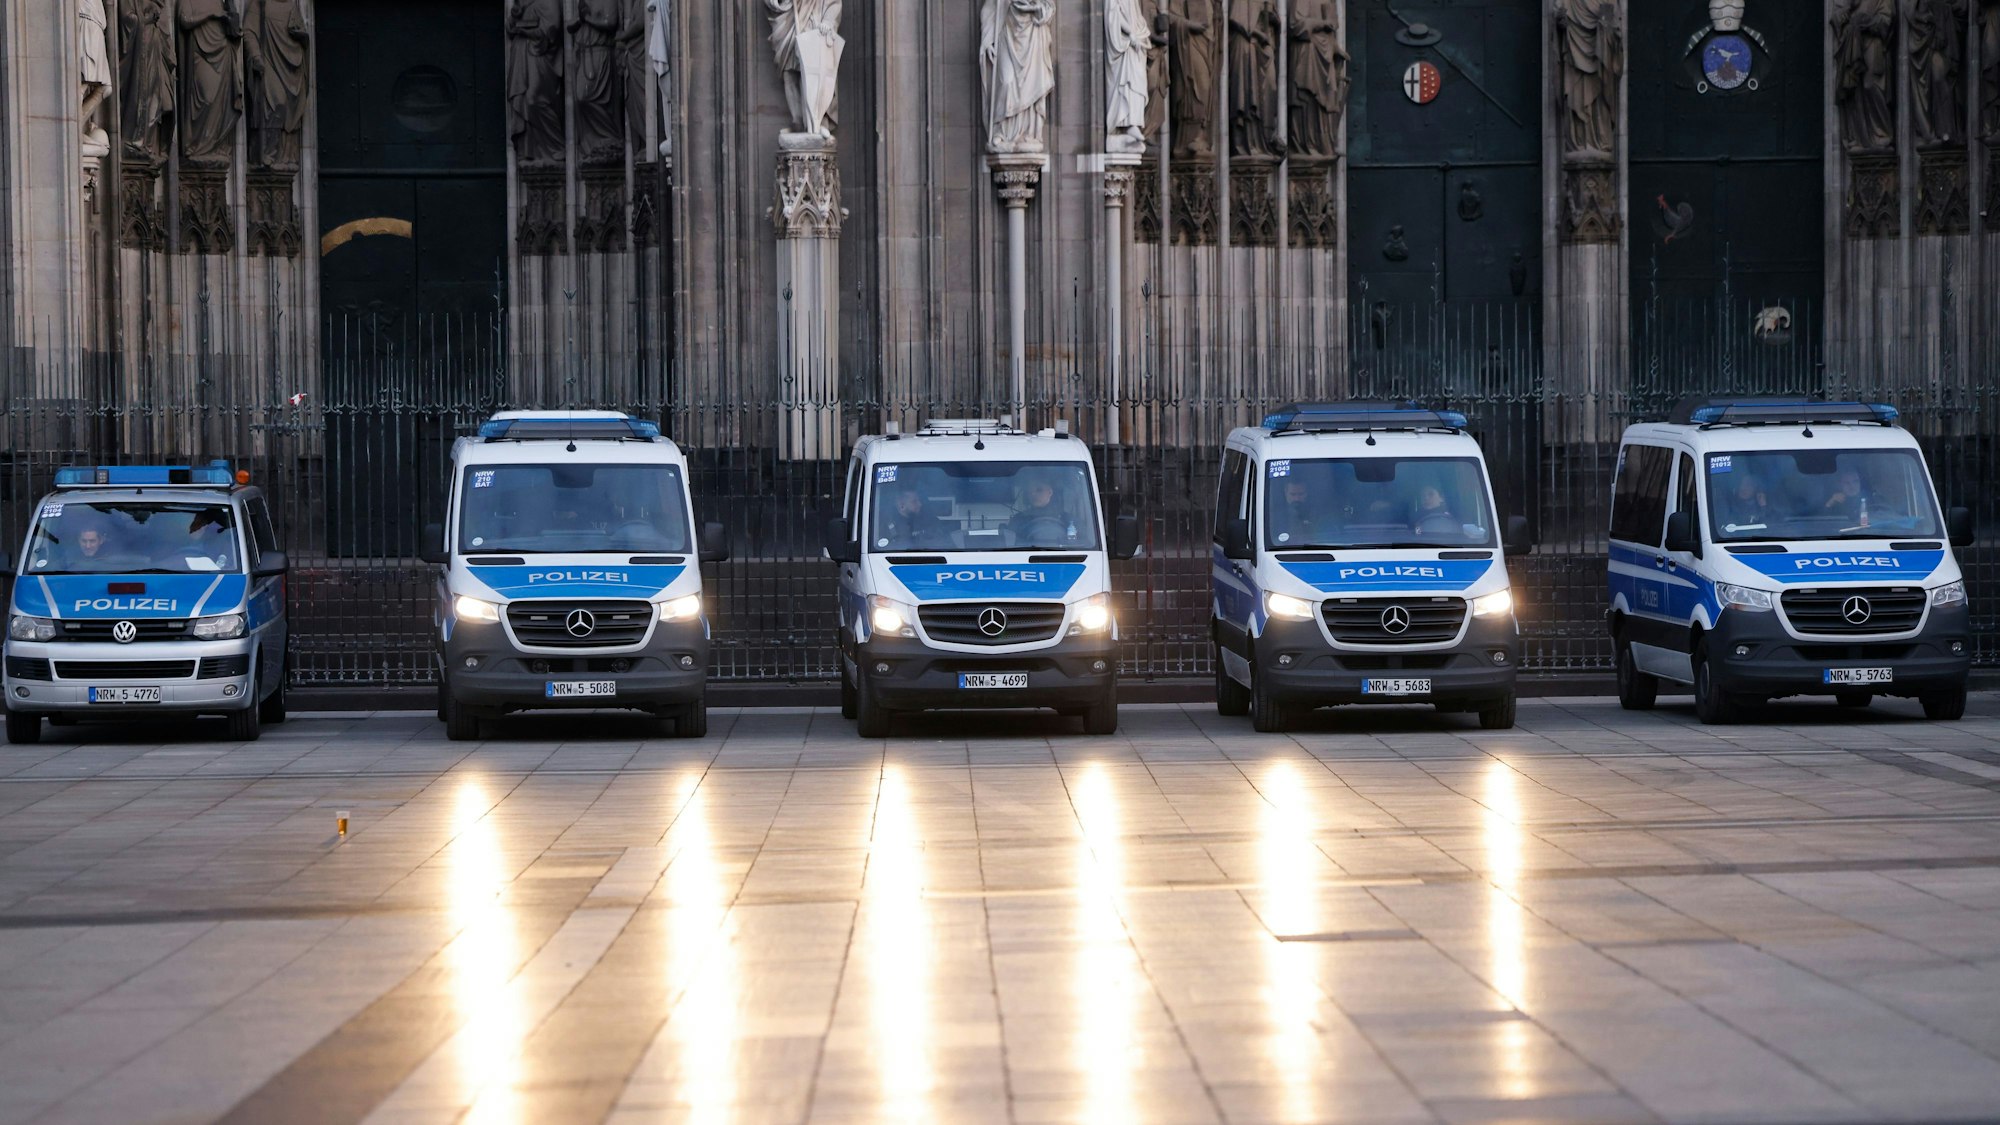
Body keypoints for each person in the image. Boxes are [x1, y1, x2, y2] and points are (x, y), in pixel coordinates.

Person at [1009, 475, 1075, 544]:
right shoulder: (1018, 520)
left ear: (1050, 492)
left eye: (1039, 490)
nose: (1033, 494)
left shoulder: (1068, 519)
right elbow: (1010, 546)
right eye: (1029, 491)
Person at [879, 486, 948, 549]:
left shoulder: (930, 521)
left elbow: (944, 543)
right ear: (901, 505)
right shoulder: (888, 528)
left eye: (919, 500)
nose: (920, 504)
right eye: (914, 502)